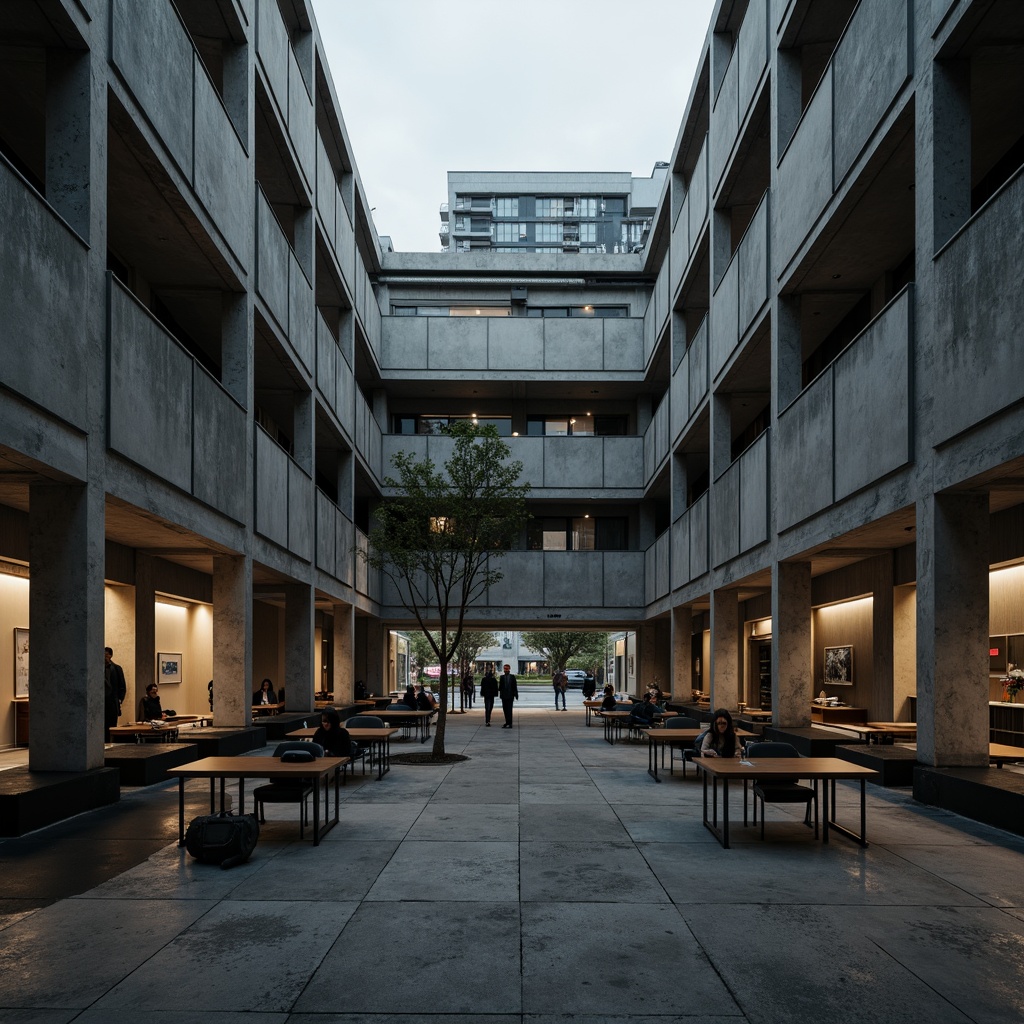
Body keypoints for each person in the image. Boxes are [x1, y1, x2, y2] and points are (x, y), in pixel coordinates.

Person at [104, 647, 127, 742]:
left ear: (110, 656)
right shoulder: (96, 668)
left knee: (111, 726)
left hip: (112, 702)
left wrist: (119, 699)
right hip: (101, 702)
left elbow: (122, 687)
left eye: (105, 654)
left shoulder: (116, 668)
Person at [498, 663, 518, 728]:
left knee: (509, 709)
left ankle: (510, 723)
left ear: (509, 669)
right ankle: (507, 722)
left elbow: (515, 686)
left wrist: (516, 694)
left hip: (510, 696)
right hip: (504, 696)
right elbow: (500, 687)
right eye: (504, 669)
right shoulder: (502, 677)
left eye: (507, 669)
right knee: (505, 709)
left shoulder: (512, 677)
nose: (505, 670)